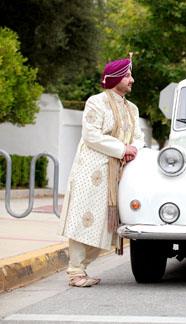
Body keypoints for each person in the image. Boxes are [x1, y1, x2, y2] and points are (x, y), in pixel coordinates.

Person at [58, 56, 144, 287]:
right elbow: (91, 135)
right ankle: (75, 272)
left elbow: (139, 137)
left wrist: (133, 148)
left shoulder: (132, 109)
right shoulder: (96, 102)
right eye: (127, 75)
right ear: (115, 78)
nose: (131, 80)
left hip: (118, 173)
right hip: (92, 171)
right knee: (84, 220)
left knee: (107, 224)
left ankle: (81, 270)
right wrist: (121, 148)